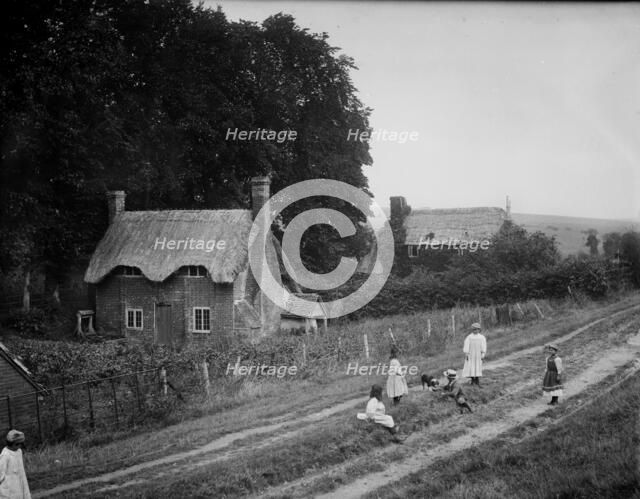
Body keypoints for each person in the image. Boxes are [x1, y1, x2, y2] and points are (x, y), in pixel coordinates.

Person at [0, 430, 31, 499]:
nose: (20, 447)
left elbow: (22, 473)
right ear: (14, 444)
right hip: (8, 494)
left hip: (19, 490)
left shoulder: (19, 452)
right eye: (20, 444)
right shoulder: (5, 456)